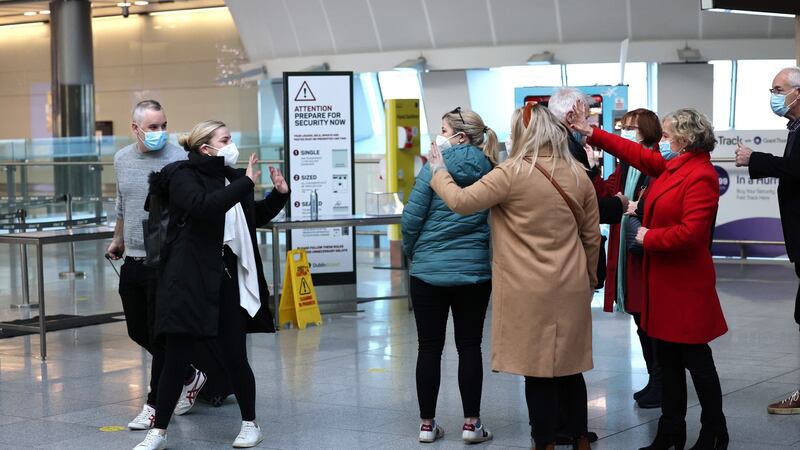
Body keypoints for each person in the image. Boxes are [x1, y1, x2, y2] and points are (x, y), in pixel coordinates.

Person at [428, 102, 601, 450]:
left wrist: (438, 171)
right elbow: (591, 236)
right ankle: (581, 439)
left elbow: (462, 202)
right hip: (570, 284)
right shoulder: (578, 174)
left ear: (523, 134)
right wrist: (589, 279)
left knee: (537, 371)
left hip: (527, 289)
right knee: (570, 367)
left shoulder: (512, 173)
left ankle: (545, 442)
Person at [571, 107, 729, 450]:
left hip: (685, 286)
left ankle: (714, 431)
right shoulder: (673, 166)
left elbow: (693, 232)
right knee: (668, 363)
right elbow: (635, 153)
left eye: (669, 136)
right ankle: (670, 431)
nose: (663, 142)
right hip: (665, 284)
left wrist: (648, 237)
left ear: (686, 140)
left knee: (697, 364)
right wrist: (592, 133)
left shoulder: (700, 175)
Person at [134, 120, 290, 450]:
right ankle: (159, 431)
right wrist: (245, 183)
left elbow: (250, 217)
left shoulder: (233, 178)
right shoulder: (180, 175)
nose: (232, 144)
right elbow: (204, 208)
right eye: (226, 139)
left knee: (235, 355)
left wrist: (278, 196)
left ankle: (251, 424)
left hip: (225, 278)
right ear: (206, 148)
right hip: (188, 279)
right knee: (176, 358)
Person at [107, 100, 204, 431]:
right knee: (138, 330)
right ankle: (189, 374)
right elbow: (123, 203)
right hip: (133, 253)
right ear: (135, 128)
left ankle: (153, 405)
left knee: (161, 336)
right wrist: (117, 239)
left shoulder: (179, 158)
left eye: (163, 125)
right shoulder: (121, 159)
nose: (161, 132)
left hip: (166, 257)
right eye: (153, 127)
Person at [401, 107, 496, 444]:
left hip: (428, 272)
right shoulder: (492, 169)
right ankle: (472, 424)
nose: (436, 135)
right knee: (470, 345)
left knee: (429, 347)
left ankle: (427, 425)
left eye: (442, 129)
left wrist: (416, 254)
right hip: (474, 273)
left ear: (459, 136)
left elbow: (411, 220)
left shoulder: (433, 169)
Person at [735, 66, 800, 416]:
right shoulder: (795, 127)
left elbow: (797, 167)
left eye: (778, 88)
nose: (773, 96)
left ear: (798, 92)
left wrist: (755, 159)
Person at [597, 109, 664, 409]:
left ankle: (661, 381)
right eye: (622, 127)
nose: (624, 132)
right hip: (630, 249)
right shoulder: (626, 164)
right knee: (640, 318)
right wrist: (588, 171)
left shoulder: (657, 162)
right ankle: (655, 379)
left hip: (644, 250)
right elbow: (610, 191)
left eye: (630, 127)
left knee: (650, 318)